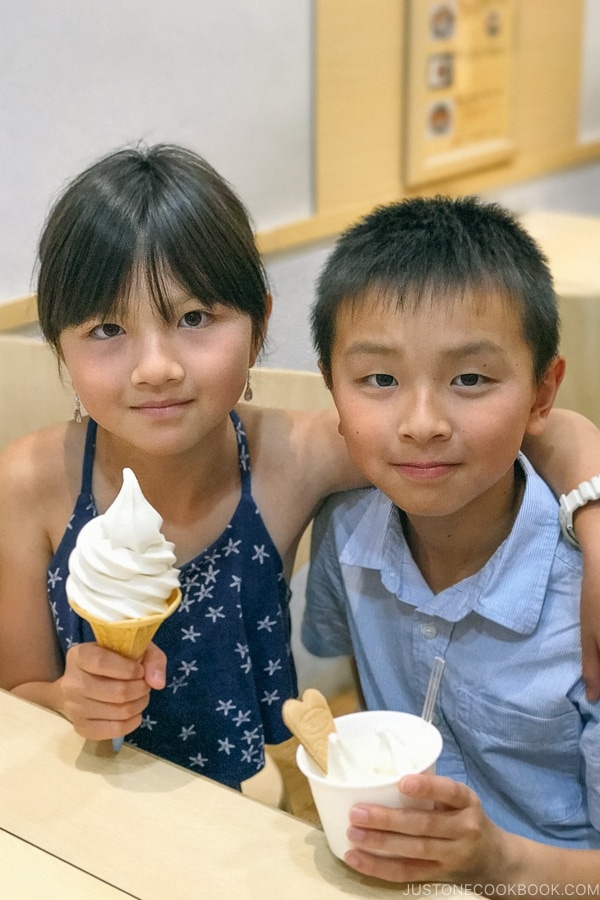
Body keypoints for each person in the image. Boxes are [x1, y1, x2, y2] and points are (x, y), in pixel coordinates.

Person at [0, 146, 599, 792]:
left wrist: (594, 525)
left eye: (193, 317)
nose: (156, 367)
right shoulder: (28, 485)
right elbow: (18, 691)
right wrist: (68, 697)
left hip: (259, 814)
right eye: (107, 328)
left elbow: (536, 431)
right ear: (57, 341)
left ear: (258, 326)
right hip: (90, 808)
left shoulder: (296, 456)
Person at [303, 196, 600, 890]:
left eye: (470, 378)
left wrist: (497, 862)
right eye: (379, 379)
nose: (423, 422)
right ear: (332, 392)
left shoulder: (582, 598)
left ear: (541, 393)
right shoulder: (345, 529)